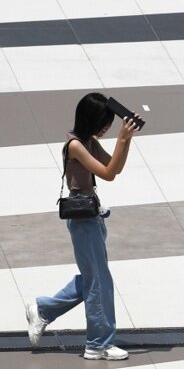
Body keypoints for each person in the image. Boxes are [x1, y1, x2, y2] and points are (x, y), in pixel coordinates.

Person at [26, 93, 140, 360]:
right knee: (98, 282)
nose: (107, 128)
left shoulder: (89, 142)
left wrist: (127, 139)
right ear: (91, 119)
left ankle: (43, 310)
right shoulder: (76, 145)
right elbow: (108, 173)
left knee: (94, 278)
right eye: (104, 122)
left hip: (93, 216)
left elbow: (116, 168)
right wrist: (122, 138)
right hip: (82, 218)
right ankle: (97, 344)